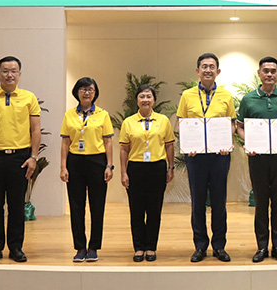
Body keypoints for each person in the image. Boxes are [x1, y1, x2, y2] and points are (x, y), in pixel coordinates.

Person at [0, 56, 41, 264]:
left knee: (16, 205)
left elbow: (36, 129)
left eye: (13, 71)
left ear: (19, 74)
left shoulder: (29, 97)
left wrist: (33, 157)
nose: (9, 75)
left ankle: (16, 247)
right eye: (5, 71)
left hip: (20, 158)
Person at [236, 57, 277, 263]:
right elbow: (240, 127)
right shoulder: (248, 99)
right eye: (266, 71)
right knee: (261, 203)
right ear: (259, 74)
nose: (269, 74)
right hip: (258, 158)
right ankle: (261, 247)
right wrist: (248, 142)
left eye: (273, 71)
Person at [176, 53, 236, 262]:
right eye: (204, 66)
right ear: (197, 71)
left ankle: (219, 246)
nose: (208, 70)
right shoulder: (187, 95)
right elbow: (180, 123)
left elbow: (231, 123)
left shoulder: (226, 95)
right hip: (196, 157)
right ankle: (200, 246)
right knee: (198, 201)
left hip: (219, 156)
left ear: (218, 71)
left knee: (219, 202)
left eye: (212, 67)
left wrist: (227, 142)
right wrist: (188, 144)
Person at [59, 77, 114, 262]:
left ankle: (93, 247)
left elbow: (108, 141)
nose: (87, 92)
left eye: (90, 89)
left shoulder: (103, 114)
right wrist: (63, 166)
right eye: (83, 89)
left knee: (97, 206)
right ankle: (80, 247)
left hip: (97, 161)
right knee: (76, 206)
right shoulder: (69, 115)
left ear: (95, 93)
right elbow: (65, 142)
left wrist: (109, 165)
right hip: (75, 162)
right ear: (77, 92)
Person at [119, 84, 175, 262]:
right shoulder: (128, 122)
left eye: (148, 96)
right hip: (135, 168)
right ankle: (138, 247)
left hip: (157, 168)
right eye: (142, 96)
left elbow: (169, 145)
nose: (145, 100)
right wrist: (123, 172)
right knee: (136, 210)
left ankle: (151, 247)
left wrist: (171, 167)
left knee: (154, 209)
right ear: (137, 100)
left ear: (154, 100)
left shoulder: (163, 121)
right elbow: (124, 149)